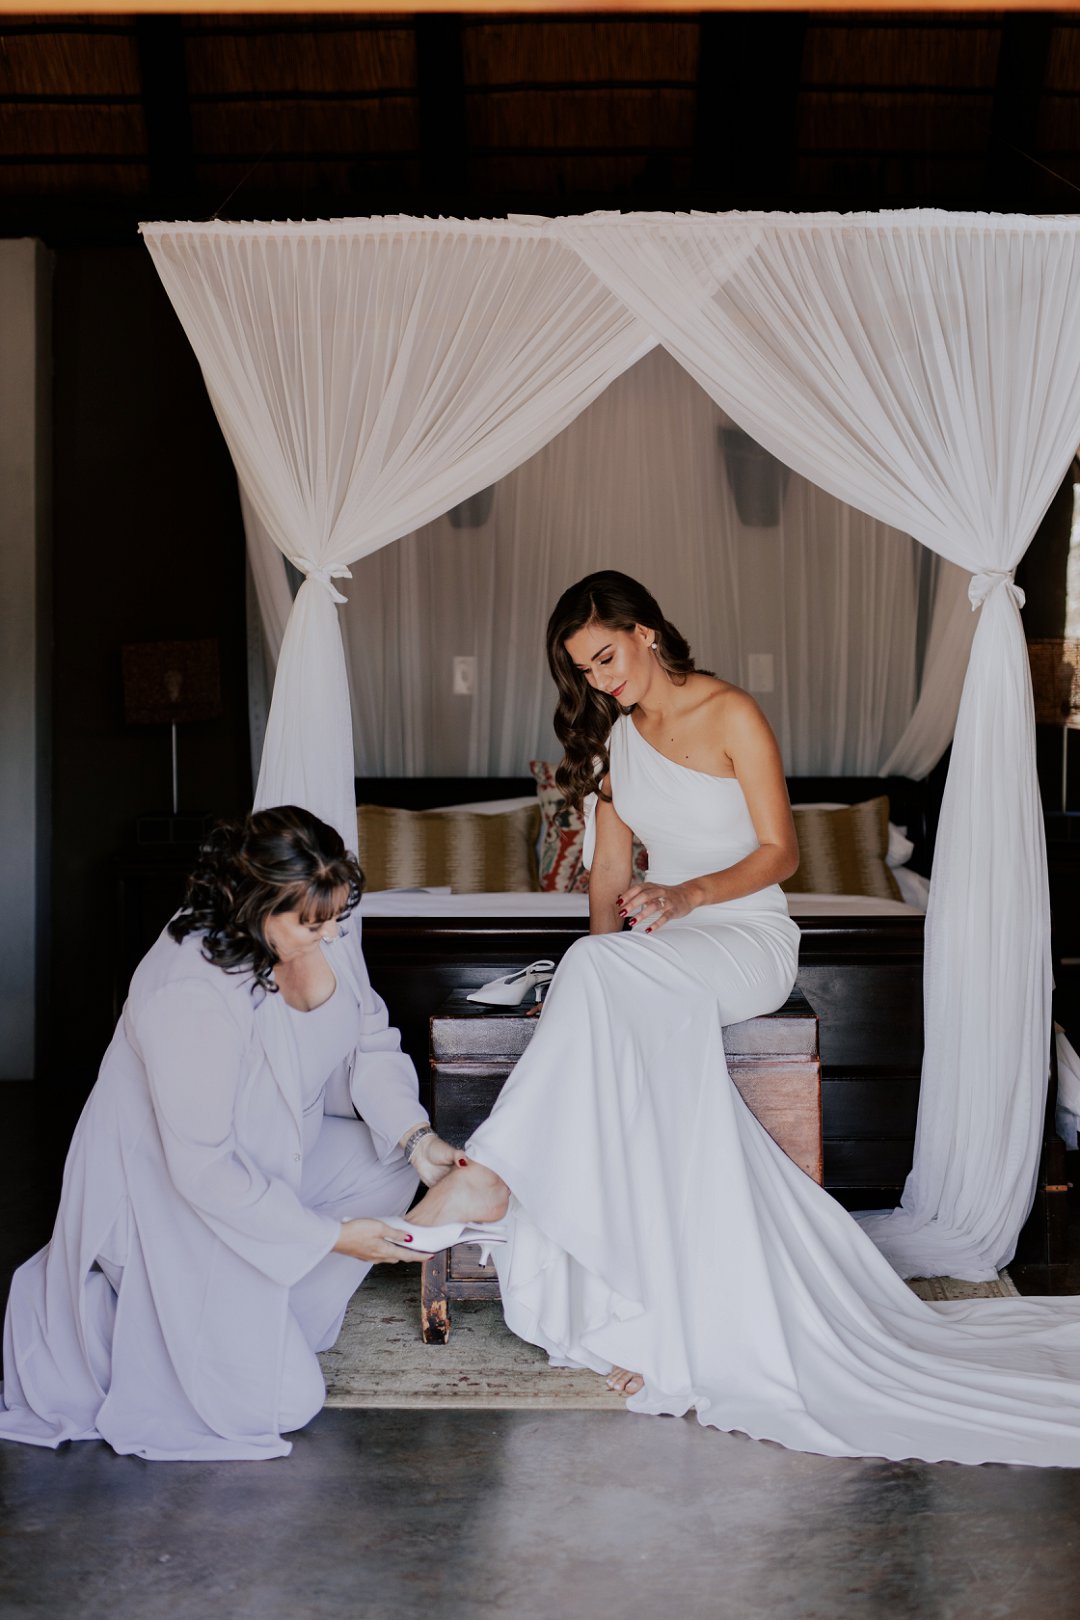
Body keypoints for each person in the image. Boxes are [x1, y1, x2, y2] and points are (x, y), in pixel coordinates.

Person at [394, 570, 1080, 1468]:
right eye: (584, 670)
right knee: (595, 979)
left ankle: (489, 1177)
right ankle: (644, 1300)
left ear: (645, 631)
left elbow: (781, 851)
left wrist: (686, 896)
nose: (600, 679)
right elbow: (609, 878)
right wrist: (602, 972)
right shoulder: (614, 738)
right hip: (664, 944)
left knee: (602, 975)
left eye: (607, 657)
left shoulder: (730, 713)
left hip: (746, 935)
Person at [0, 807, 455, 1461]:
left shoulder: (317, 928)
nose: (331, 934)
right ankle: (110, 1317)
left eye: (335, 917)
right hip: (167, 1202)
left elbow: (370, 1042)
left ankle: (260, 1321)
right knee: (288, 1405)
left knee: (385, 1161)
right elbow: (205, 1171)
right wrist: (332, 1238)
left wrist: (419, 1142)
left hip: (273, 1156)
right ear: (254, 904)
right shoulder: (189, 989)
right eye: (313, 923)